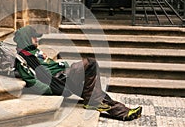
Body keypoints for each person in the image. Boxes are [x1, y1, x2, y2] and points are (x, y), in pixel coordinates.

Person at [13, 25, 142, 121]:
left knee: (91, 92)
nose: (37, 39)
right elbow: (31, 81)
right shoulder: (24, 58)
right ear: (26, 39)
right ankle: (103, 105)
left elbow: (51, 64)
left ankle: (124, 112)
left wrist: (63, 65)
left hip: (64, 74)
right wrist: (51, 89)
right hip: (58, 80)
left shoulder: (35, 51)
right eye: (34, 37)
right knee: (90, 63)